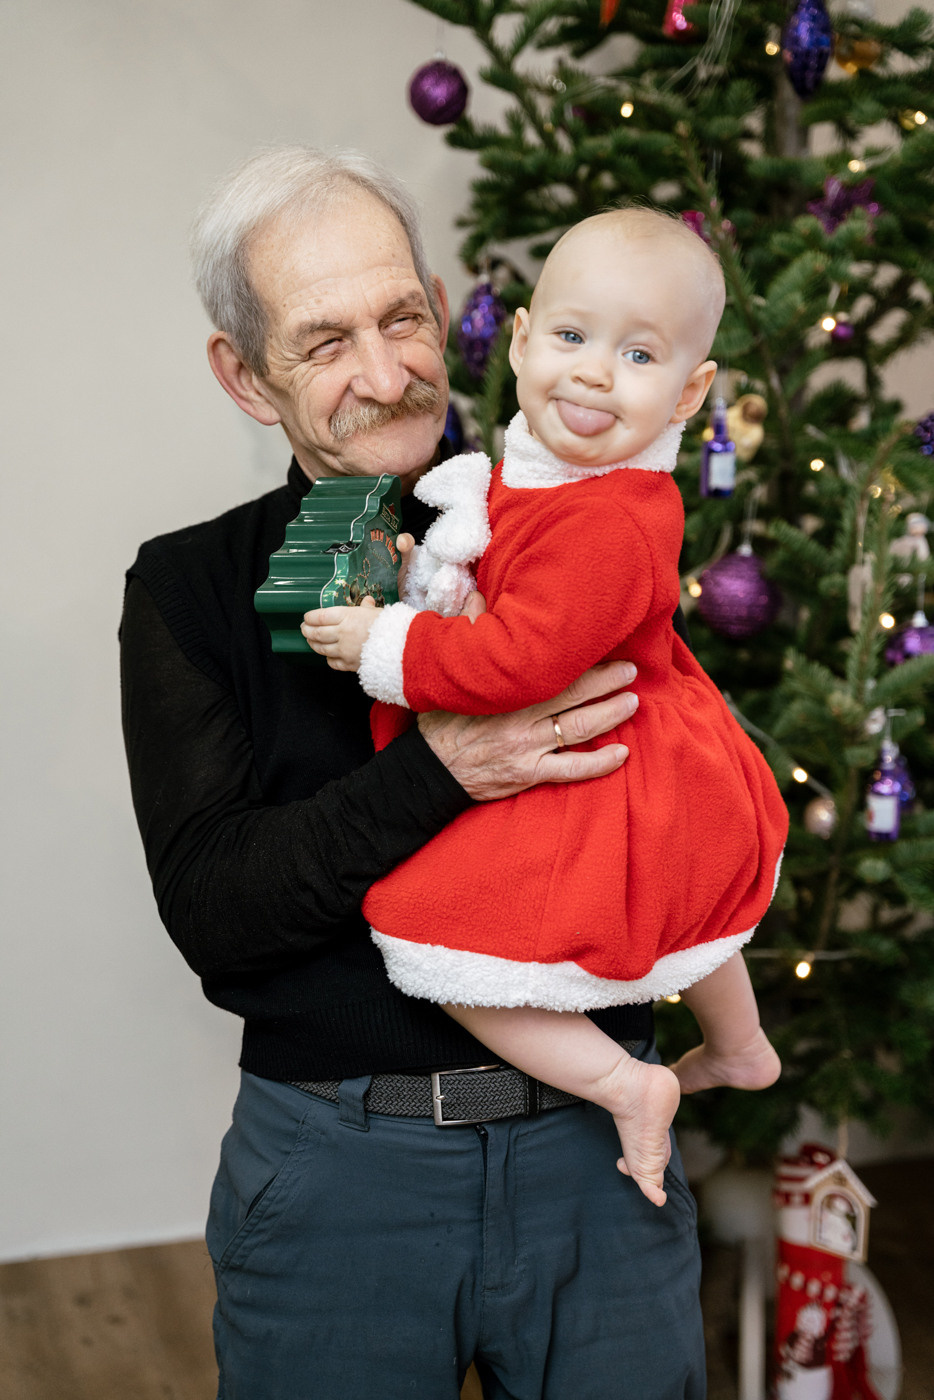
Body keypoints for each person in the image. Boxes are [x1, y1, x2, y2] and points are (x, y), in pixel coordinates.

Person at [121, 147, 707, 1400]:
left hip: (597, 1156)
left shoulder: (571, 520)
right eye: (325, 340)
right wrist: (447, 766)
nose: (386, 376)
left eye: (403, 316)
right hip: (339, 1167)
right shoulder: (187, 589)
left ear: (442, 308)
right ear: (244, 374)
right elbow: (219, 911)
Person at [303, 207, 788, 1207]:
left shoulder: (608, 516)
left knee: (431, 930)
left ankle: (626, 1080)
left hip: (610, 757)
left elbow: (519, 658)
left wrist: (389, 644)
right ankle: (740, 1045)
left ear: (691, 391)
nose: (594, 372)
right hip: (656, 736)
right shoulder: (556, 473)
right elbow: (513, 590)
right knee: (697, 910)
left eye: (639, 352)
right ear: (520, 338)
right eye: (571, 336)